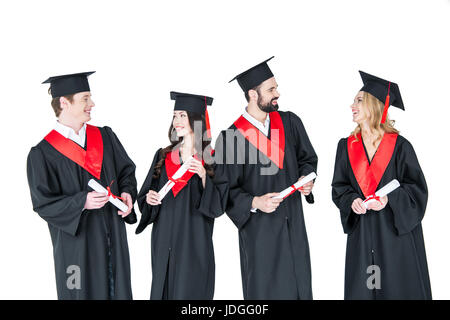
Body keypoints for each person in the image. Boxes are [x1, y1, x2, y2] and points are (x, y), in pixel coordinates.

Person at [211, 57, 318, 299]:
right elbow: (224, 189)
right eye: (271, 89)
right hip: (260, 235)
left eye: (276, 87)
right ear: (252, 94)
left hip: (294, 228)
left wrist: (307, 179)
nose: (277, 93)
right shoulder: (231, 138)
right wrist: (255, 202)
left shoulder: (289, 123)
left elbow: (308, 159)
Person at [26, 72, 137, 300]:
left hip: (112, 239)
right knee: (77, 291)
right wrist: (82, 202)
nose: (92, 104)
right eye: (85, 98)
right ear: (64, 103)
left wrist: (127, 194)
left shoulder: (105, 136)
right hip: (75, 249)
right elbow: (43, 204)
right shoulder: (43, 154)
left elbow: (126, 172)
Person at [331, 71, 432, 299]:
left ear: (374, 106)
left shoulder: (400, 147)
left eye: (358, 100)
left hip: (394, 237)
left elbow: (417, 190)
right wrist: (352, 200)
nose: (352, 106)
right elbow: (339, 188)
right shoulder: (346, 147)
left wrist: (389, 199)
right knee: (366, 289)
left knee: (397, 289)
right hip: (363, 235)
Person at [136, 91, 225, 300]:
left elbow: (220, 203)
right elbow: (144, 197)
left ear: (197, 119)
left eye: (183, 115)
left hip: (194, 241)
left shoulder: (211, 158)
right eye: (175, 116)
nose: (177, 121)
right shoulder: (164, 155)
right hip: (163, 237)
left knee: (191, 292)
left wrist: (203, 175)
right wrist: (149, 199)